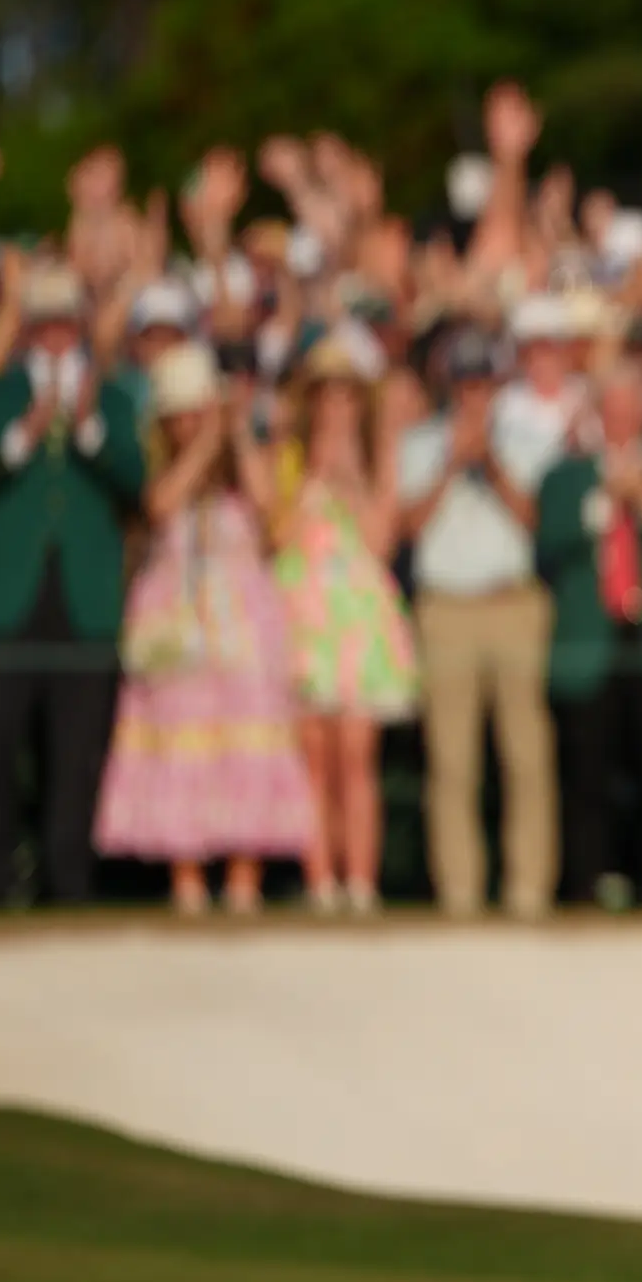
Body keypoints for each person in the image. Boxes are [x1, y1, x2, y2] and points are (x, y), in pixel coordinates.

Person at [94, 346, 317, 911]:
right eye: (182, 415)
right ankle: (187, 878)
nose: (191, 423)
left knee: (248, 738)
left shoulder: (244, 467)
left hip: (242, 624)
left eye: (198, 412)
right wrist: (203, 445)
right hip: (177, 623)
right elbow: (161, 505)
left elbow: (271, 510)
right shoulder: (159, 468)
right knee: (180, 740)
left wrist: (236, 433)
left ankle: (244, 879)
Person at [0, 265, 148, 905]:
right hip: (5, 604)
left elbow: (135, 483)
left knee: (76, 756)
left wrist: (89, 428)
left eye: (67, 323)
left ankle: (69, 885)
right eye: (46, 325)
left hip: (83, 603)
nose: (58, 337)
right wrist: (24, 434)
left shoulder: (112, 398)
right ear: (30, 331)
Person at [396, 327, 557, 920]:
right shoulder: (418, 445)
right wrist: (448, 465)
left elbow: (538, 521)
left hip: (514, 603)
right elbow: (409, 527)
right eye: (465, 386)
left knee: (526, 756)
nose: (474, 397)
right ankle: (459, 893)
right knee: (451, 761)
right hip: (446, 608)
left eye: (483, 386)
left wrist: (488, 461)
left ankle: (528, 891)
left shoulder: (529, 442)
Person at [533, 359, 642, 912]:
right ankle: (585, 882)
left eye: (632, 409)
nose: (623, 420)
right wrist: (608, 497)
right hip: (594, 637)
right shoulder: (567, 476)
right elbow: (553, 539)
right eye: (614, 409)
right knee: (586, 768)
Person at [267, 340, 417, 914]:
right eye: (326, 396)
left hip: (356, 618)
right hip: (306, 612)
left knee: (356, 756)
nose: (336, 407)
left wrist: (349, 477)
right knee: (313, 756)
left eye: (346, 395)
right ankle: (320, 881)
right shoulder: (290, 457)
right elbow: (277, 536)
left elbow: (381, 541)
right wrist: (310, 476)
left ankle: (361, 882)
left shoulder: (379, 456)